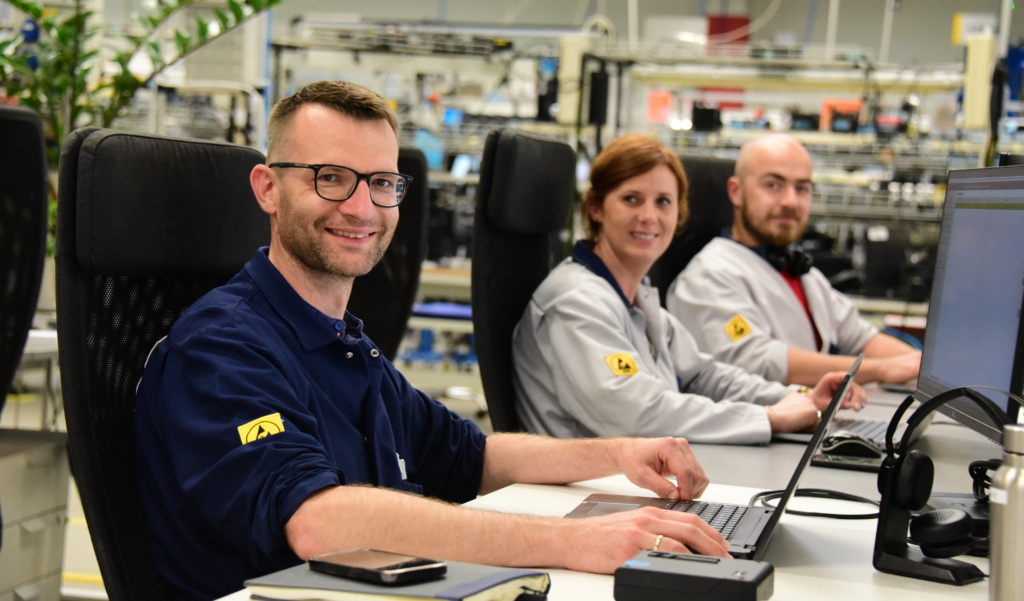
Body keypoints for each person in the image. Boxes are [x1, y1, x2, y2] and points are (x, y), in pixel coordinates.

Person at [134, 81, 733, 601]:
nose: (362, 207)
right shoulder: (222, 348)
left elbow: (473, 458)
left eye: (382, 182)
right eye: (331, 178)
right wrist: (574, 541)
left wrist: (621, 454)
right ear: (268, 188)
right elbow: (316, 521)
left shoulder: (343, 343)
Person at [512, 133, 865, 445]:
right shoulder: (575, 301)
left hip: (632, 480)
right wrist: (768, 418)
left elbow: (703, 375)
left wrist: (799, 396)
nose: (649, 216)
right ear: (596, 208)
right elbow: (636, 414)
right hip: (581, 497)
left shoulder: (638, 299)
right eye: (632, 199)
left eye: (663, 201)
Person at [667, 133, 921, 387]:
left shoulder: (802, 273)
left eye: (802, 188)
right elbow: (758, 361)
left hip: (810, 420)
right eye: (773, 185)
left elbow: (861, 337)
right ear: (736, 191)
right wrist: (881, 370)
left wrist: (924, 367)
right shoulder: (707, 278)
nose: (790, 201)